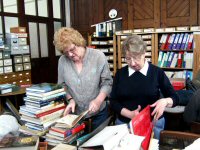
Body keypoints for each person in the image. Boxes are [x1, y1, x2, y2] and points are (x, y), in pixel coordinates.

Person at [110, 35, 179, 139]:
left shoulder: (157, 73)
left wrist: (165, 101)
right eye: (128, 59)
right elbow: (113, 101)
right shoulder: (120, 74)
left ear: (144, 54)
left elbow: (175, 97)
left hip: (153, 124)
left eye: (136, 58)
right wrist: (130, 114)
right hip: (124, 125)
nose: (132, 63)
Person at [54, 27, 113, 130]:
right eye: (66, 52)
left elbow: (107, 83)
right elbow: (62, 85)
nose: (70, 54)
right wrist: (71, 100)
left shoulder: (98, 56)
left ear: (79, 42)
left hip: (99, 115)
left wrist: (98, 101)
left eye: (72, 49)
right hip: (76, 116)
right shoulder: (62, 61)